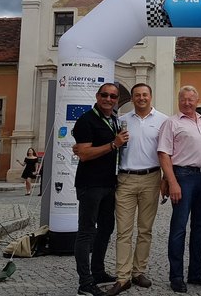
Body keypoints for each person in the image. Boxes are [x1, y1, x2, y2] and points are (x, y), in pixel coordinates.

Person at [107, 83, 168, 296]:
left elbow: (167, 152)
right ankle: (122, 277)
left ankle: (138, 271)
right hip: (126, 179)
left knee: (145, 230)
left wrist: (166, 179)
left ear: (151, 97)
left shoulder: (163, 121)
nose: (141, 98)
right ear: (132, 99)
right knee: (123, 231)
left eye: (145, 95)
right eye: (137, 95)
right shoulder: (122, 121)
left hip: (152, 177)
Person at [157, 85, 201, 293]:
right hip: (183, 177)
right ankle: (176, 276)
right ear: (179, 100)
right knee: (179, 228)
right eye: (183, 99)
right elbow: (164, 154)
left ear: (197, 101)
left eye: (191, 99)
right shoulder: (171, 123)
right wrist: (172, 182)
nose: (187, 103)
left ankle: (196, 273)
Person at [73, 83, 128, 296]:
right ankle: (85, 283)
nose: (109, 99)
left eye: (113, 96)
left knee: (106, 229)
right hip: (90, 184)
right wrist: (113, 145)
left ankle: (98, 272)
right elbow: (84, 154)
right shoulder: (86, 120)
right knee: (86, 232)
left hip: (109, 184)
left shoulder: (114, 120)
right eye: (105, 95)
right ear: (97, 96)